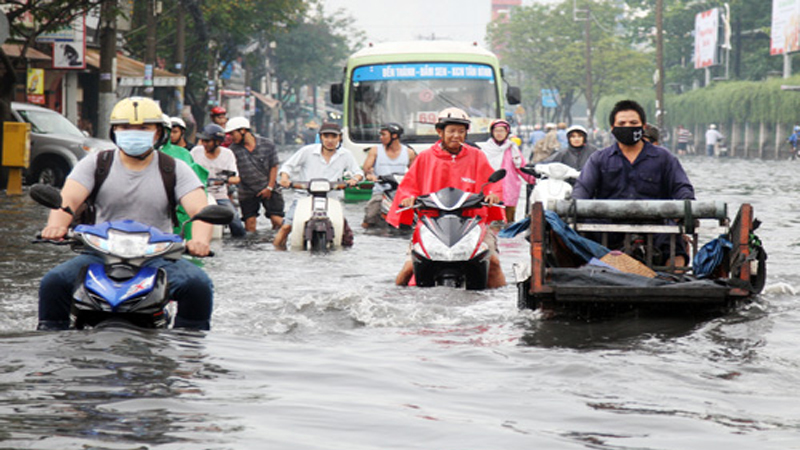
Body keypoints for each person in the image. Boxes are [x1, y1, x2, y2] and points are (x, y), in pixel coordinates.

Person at [37, 97, 216, 330]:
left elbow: (199, 211)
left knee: (198, 285)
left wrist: (199, 241)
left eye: (143, 128)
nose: (133, 133)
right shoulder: (94, 164)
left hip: (157, 256)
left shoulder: (175, 169)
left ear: (158, 132)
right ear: (114, 131)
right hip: (100, 254)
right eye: (125, 127)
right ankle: (50, 344)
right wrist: (57, 226)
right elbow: (67, 201)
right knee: (53, 282)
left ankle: (191, 352)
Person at [387, 107, 506, 288]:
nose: (456, 136)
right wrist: (409, 197)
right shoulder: (425, 157)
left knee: (494, 264)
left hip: (472, 221)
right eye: (451, 131)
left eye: (461, 131)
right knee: (409, 267)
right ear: (439, 132)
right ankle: (393, 299)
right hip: (432, 221)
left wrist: (493, 195)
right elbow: (409, 185)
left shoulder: (477, 156)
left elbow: (491, 184)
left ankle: (501, 305)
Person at [573, 99, 695, 267]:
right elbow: (582, 189)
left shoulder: (663, 158)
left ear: (643, 127)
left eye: (633, 123)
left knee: (675, 238)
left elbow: (682, 187)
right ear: (613, 129)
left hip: (655, 224)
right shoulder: (599, 159)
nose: (628, 126)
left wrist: (686, 208)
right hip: (608, 225)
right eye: (622, 123)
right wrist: (574, 207)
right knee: (582, 232)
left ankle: (674, 281)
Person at [273, 122, 364, 249]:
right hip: (304, 197)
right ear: (321, 137)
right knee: (286, 227)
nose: (330, 140)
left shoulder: (346, 154)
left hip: (331, 199)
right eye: (326, 136)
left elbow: (358, 172)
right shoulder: (307, 151)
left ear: (340, 138)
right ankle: (276, 253)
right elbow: (287, 167)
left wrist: (354, 179)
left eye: (334, 136)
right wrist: (284, 178)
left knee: (341, 231)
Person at [226, 116, 285, 233]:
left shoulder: (267, 144)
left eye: (233, 134)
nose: (231, 138)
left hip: (269, 187)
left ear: (243, 131)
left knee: (277, 220)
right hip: (246, 190)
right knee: (250, 224)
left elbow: (274, 166)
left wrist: (269, 187)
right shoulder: (232, 150)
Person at [191, 123, 246, 238]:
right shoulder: (196, 152)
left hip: (220, 195)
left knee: (236, 222)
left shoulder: (227, 154)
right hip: (200, 194)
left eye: (208, 141)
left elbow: (236, 178)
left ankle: (239, 245)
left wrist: (223, 180)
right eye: (203, 141)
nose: (204, 144)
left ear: (217, 141)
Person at [361, 122, 417, 228]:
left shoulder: (409, 152)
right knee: (371, 214)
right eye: (380, 135)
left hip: (401, 193)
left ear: (394, 136)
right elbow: (367, 169)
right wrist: (370, 175)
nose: (381, 137)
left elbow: (415, 173)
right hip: (381, 191)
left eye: (384, 134)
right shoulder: (375, 150)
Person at [480, 119, 535, 223]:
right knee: (492, 218)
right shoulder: (484, 149)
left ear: (507, 133)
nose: (499, 134)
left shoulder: (513, 149)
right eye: (497, 131)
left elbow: (521, 167)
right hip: (490, 188)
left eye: (502, 131)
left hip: (510, 187)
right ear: (492, 132)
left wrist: (533, 179)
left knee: (509, 220)